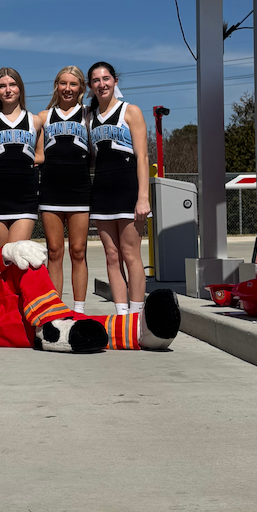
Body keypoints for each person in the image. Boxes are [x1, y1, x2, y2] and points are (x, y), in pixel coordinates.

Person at [87, 60, 151, 319]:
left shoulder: (130, 111)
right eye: (96, 80)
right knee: (111, 256)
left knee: (130, 254)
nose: (102, 84)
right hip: (102, 192)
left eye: (106, 79)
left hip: (127, 190)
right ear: (90, 86)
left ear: (115, 81)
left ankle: (136, 316)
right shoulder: (89, 117)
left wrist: (143, 197)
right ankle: (121, 316)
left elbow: (143, 157)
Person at [34, 64, 91, 308]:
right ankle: (55, 309)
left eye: (73, 84)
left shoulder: (88, 115)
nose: (67, 89)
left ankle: (79, 309)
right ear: (56, 86)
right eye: (63, 83)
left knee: (78, 251)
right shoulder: (44, 117)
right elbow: (37, 154)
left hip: (79, 190)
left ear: (81, 88)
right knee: (54, 251)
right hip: (51, 190)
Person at [0, 66, 39, 250]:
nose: (8, 90)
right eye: (2, 86)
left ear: (20, 88)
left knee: (16, 257)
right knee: (1, 260)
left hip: (25, 197)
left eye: (12, 84)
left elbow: (41, 155)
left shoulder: (35, 121)